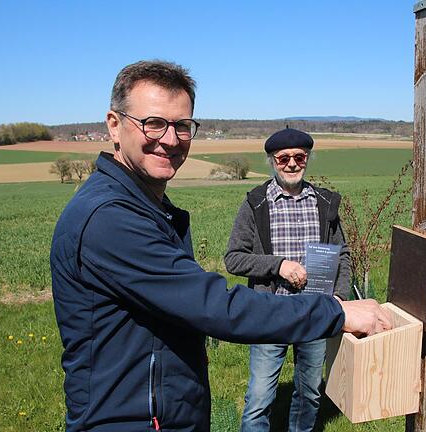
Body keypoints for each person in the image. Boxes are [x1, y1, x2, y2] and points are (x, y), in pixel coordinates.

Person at [50, 60, 392, 432]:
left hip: (161, 414)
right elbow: (214, 305)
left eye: (182, 125)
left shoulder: (148, 208)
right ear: (115, 126)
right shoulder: (110, 218)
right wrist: (336, 313)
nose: (169, 138)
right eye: (153, 122)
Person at [224, 128, 352, 431]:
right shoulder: (256, 203)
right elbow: (233, 258)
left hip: (314, 311)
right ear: (272, 160)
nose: (292, 163)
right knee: (258, 399)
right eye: (284, 158)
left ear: (307, 159)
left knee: (309, 393)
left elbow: (343, 255)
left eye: (299, 157)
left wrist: (340, 297)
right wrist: (278, 266)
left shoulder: (325, 203)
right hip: (270, 311)